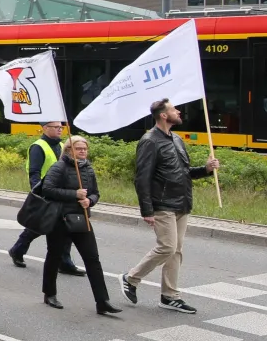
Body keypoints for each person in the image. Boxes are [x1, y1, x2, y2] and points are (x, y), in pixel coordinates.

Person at [121, 98, 220, 314]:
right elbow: (142, 178)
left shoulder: (176, 139)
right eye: (174, 109)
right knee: (166, 247)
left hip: (182, 202)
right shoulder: (149, 141)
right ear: (164, 115)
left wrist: (205, 169)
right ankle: (131, 278)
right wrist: (147, 210)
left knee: (176, 251)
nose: (179, 112)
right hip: (163, 204)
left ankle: (170, 296)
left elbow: (184, 172)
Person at [40, 136, 121, 315]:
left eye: (85, 149)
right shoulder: (58, 167)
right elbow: (47, 189)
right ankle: (49, 293)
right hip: (59, 220)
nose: (83, 152)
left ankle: (102, 301)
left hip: (81, 219)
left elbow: (95, 193)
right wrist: (74, 194)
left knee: (92, 259)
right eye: (79, 149)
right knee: (54, 256)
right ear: (69, 150)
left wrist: (90, 201)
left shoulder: (88, 169)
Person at [8, 121, 83, 275]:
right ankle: (17, 250)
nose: (60, 129)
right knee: (39, 225)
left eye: (61, 127)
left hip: (62, 193)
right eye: (56, 127)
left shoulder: (62, 146)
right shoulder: (38, 146)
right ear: (45, 128)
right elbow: (34, 173)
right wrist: (38, 194)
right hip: (46, 194)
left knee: (65, 227)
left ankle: (65, 262)